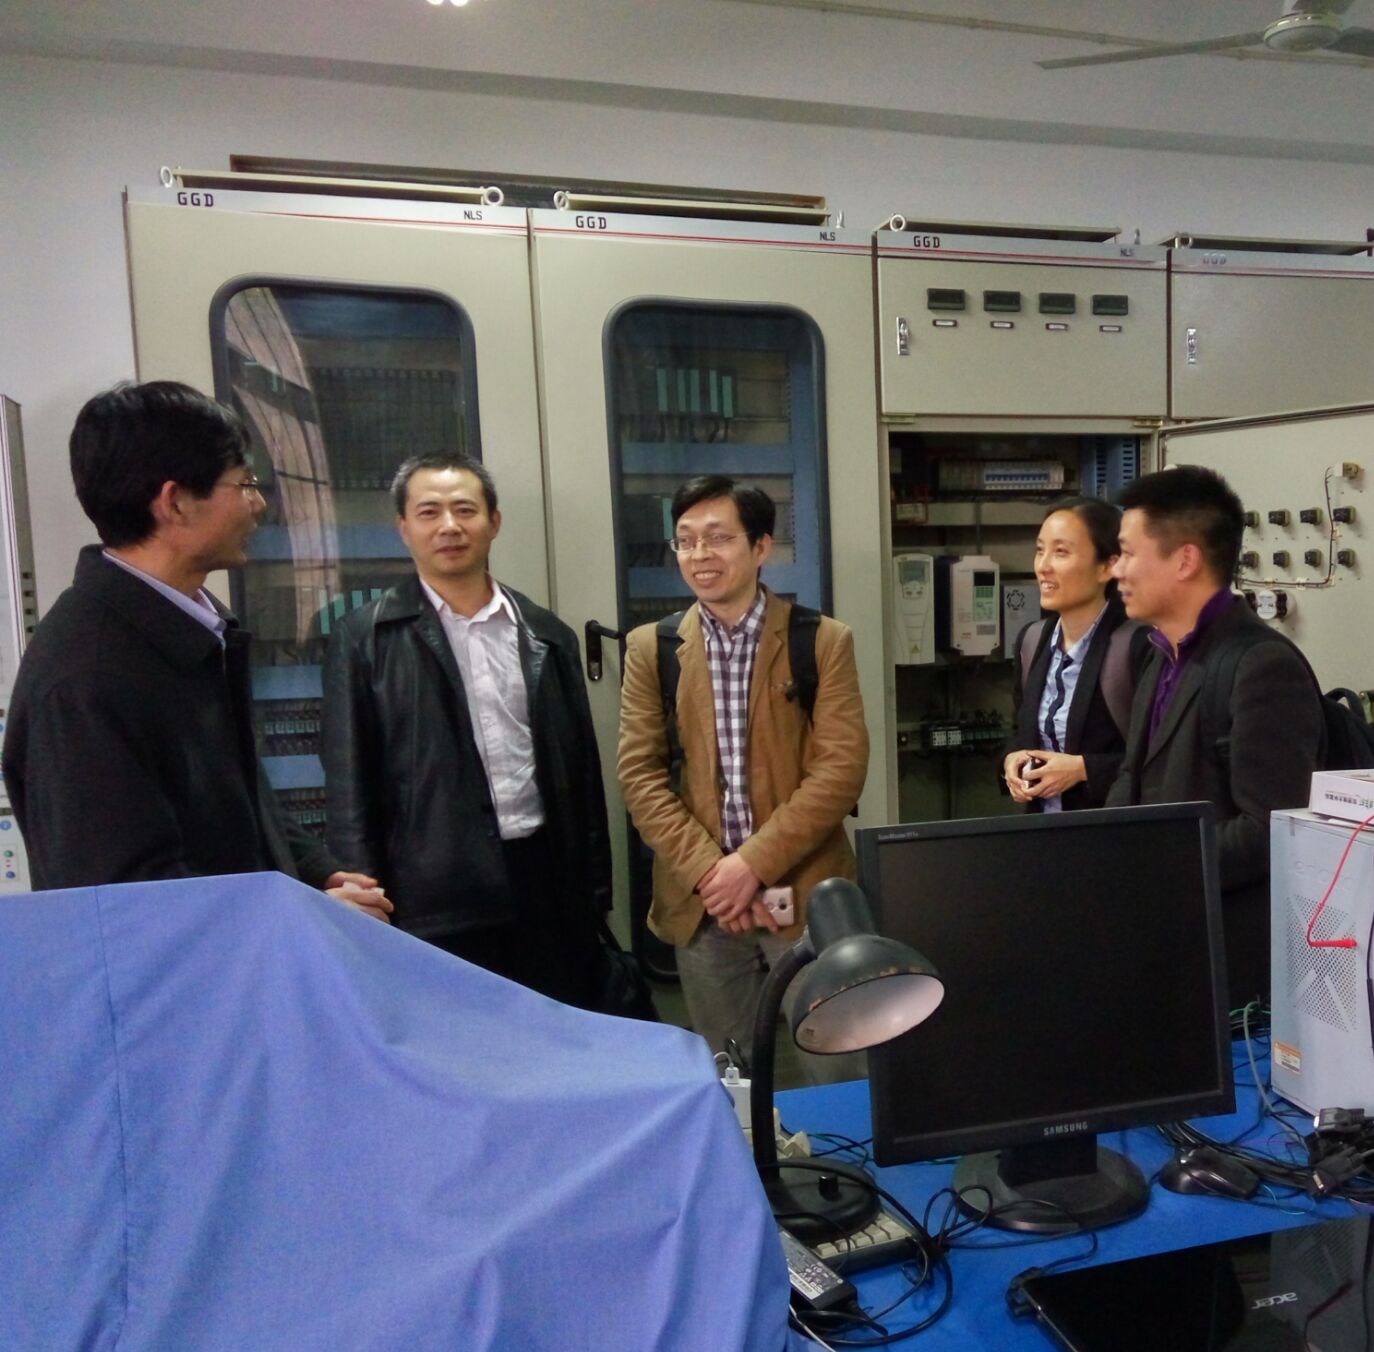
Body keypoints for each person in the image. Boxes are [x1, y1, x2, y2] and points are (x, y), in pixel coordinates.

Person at [1, 381, 390, 920]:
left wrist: (315, 870)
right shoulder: (86, 677)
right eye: (245, 483)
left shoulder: (192, 632)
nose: (259, 504)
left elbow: (238, 804)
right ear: (176, 502)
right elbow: (130, 903)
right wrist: (313, 916)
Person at [322, 452, 613, 1006]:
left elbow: (582, 775)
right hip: (431, 893)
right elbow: (348, 784)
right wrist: (364, 895)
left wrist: (595, 891)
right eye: (429, 512)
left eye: (465, 510)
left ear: (494, 522)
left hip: (546, 885)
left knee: (552, 1033)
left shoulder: (547, 635)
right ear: (403, 528)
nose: (449, 526)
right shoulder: (365, 639)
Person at [617, 476, 869, 1077]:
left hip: (804, 894)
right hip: (705, 906)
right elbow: (640, 776)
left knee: (839, 1064)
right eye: (686, 541)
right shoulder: (652, 649)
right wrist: (713, 873)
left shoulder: (821, 641)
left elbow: (839, 771)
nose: (700, 555)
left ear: (760, 547)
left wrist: (749, 866)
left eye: (718, 538)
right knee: (730, 1075)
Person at [1106, 465, 1324, 1008]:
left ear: (1185, 560)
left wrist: (1154, 865)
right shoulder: (1160, 653)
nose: (1116, 570)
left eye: (1127, 553)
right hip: (1163, 942)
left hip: (1233, 966)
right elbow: (1132, 778)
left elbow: (1271, 826)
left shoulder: (1260, 665)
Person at [1002, 497, 1146, 811]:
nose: (1043, 566)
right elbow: (1020, 731)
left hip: (1106, 829)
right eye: (1040, 550)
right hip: (1043, 829)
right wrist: (1012, 758)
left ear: (1107, 566)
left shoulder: (1138, 645)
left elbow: (1159, 760)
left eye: (1061, 552)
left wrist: (1083, 770)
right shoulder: (1031, 640)